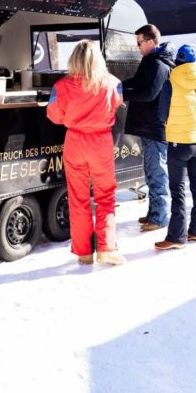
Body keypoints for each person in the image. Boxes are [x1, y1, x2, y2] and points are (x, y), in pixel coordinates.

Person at [46, 40, 126, 266]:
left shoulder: (61, 86)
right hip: (101, 142)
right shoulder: (113, 83)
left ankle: (83, 252)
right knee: (105, 196)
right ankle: (106, 248)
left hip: (75, 141)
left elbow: (54, 115)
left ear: (74, 59)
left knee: (78, 198)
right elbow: (116, 105)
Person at [154, 44, 196, 250]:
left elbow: (161, 114)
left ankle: (177, 237)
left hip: (179, 142)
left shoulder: (171, 81)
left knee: (178, 191)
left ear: (177, 61)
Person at [121, 24, 175, 232]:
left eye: (139, 43)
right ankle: (154, 212)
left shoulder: (159, 65)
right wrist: (119, 84)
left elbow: (148, 93)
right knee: (151, 172)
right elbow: (138, 82)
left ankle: (160, 217)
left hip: (155, 126)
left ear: (151, 42)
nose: (137, 47)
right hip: (149, 125)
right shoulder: (151, 61)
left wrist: (122, 94)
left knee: (157, 172)